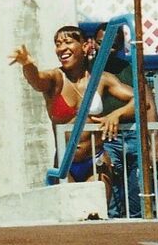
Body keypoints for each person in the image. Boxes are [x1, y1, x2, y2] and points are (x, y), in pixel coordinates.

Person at [10, 26, 134, 200]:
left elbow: (140, 100)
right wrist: (27, 64)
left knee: (95, 214)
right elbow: (37, 81)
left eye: (68, 42)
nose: (61, 48)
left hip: (95, 159)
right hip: (65, 163)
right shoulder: (56, 78)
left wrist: (117, 114)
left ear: (84, 46)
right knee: (70, 218)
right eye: (58, 44)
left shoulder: (101, 78)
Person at [86, 22, 158, 218]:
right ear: (94, 43)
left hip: (133, 135)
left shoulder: (130, 68)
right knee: (110, 203)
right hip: (105, 138)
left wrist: (155, 144)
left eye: (114, 43)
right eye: (103, 43)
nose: (109, 48)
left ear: (121, 45)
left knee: (139, 198)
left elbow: (149, 104)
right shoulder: (87, 70)